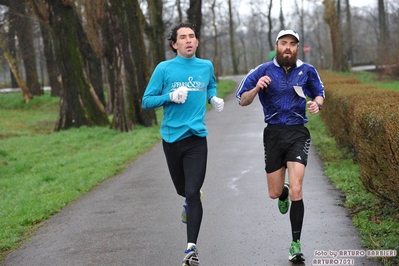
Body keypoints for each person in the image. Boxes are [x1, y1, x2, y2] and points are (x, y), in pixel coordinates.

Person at [235, 29, 325, 262]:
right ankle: (282, 191)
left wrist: (317, 104)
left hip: (297, 132)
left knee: (297, 188)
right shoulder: (262, 71)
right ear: (277, 46)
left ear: (297, 48)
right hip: (273, 133)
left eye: (292, 44)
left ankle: (296, 244)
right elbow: (242, 100)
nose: (288, 47)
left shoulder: (307, 70)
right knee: (275, 193)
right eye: (283, 43)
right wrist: (257, 88)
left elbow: (319, 93)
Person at [142, 22, 224, 266]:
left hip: (197, 137)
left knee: (191, 193)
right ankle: (190, 197)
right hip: (171, 139)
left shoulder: (206, 66)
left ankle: (191, 249)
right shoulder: (164, 69)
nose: (188, 40)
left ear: (197, 42)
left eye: (192, 36)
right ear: (174, 44)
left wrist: (213, 97)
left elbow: (210, 84)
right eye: (183, 37)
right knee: (183, 190)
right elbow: (147, 101)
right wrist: (170, 97)